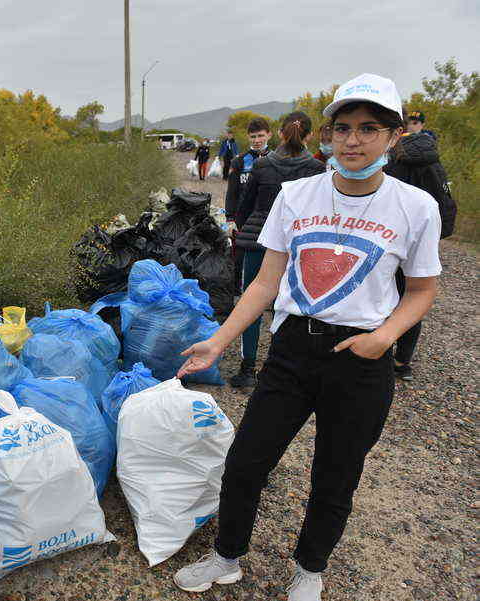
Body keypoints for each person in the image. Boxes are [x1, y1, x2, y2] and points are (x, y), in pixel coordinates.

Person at [171, 73, 441, 601]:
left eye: (369, 128)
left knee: (335, 477)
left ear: (393, 137)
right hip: (293, 348)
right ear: (328, 135)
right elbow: (266, 282)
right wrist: (220, 340)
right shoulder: (297, 195)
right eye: (343, 128)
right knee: (246, 461)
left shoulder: (415, 207)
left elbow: (421, 292)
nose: (354, 141)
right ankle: (227, 557)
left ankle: (310, 571)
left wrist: (384, 337)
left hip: (360, 359)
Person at [229, 111, 325, 388]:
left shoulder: (262, 165)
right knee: (291, 306)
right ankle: (282, 366)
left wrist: (242, 231)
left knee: (252, 303)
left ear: (279, 134)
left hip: (260, 241)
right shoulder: (317, 169)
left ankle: (247, 368)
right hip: (298, 244)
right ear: (309, 136)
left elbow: (245, 208)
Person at [383, 110, 456, 380]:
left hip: (388, 237)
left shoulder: (391, 159)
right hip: (421, 239)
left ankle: (380, 346)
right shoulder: (434, 161)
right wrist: (438, 235)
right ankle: (403, 361)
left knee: (387, 292)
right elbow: (446, 199)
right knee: (414, 295)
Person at [225, 118, 272, 295]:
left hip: (267, 217)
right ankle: (237, 293)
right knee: (239, 257)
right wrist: (230, 219)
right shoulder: (239, 161)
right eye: (253, 136)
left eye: (261, 135)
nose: (257, 140)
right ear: (248, 137)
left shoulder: (277, 160)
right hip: (243, 218)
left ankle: (265, 294)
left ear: (269, 135)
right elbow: (232, 192)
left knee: (267, 257)